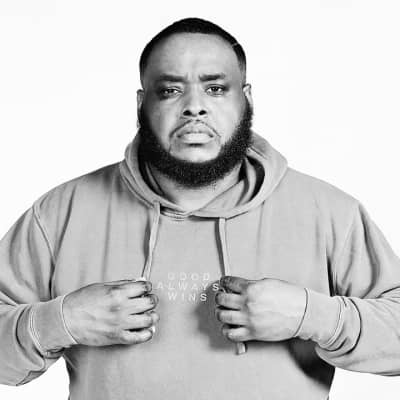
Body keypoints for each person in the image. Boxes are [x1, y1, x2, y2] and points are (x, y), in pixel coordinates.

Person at [1, 17, 400, 400]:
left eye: (215, 88)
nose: (195, 106)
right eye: (170, 90)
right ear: (141, 104)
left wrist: (312, 315)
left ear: (246, 98)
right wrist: (61, 321)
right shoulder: (60, 213)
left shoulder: (328, 212)